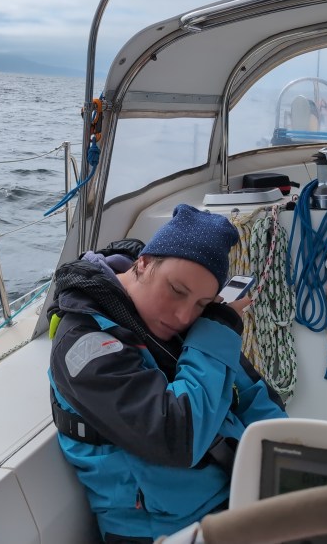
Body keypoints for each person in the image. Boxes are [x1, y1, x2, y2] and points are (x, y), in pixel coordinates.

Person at [47, 204, 287, 543]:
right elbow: (178, 437)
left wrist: (290, 459)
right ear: (143, 263)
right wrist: (217, 329)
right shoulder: (82, 343)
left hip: (235, 499)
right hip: (160, 530)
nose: (183, 315)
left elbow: (251, 396)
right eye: (176, 290)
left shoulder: (172, 322)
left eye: (202, 305)